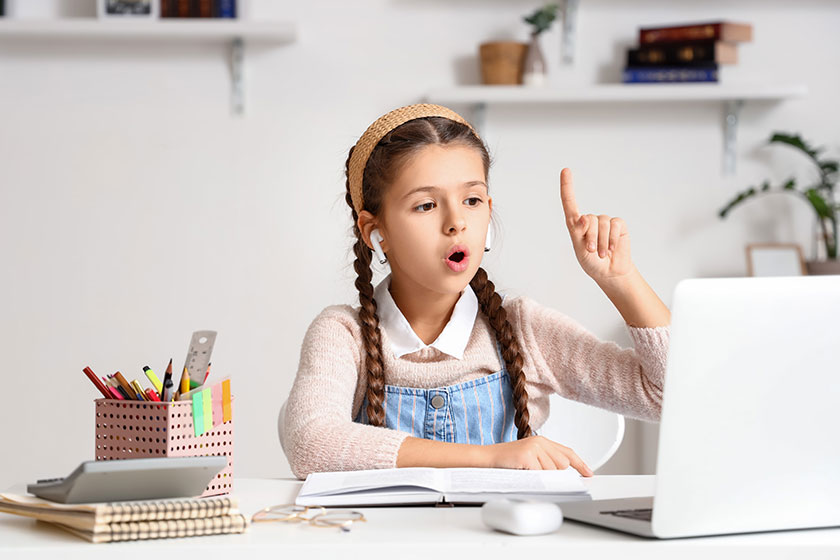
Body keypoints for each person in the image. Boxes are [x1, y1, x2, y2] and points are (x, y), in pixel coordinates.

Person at [279, 104, 670, 479]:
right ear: (374, 231)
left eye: (472, 200)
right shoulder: (343, 335)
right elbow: (310, 443)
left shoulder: (523, 329)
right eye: (426, 205)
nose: (456, 222)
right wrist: (488, 458)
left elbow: (668, 395)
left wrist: (620, 280)